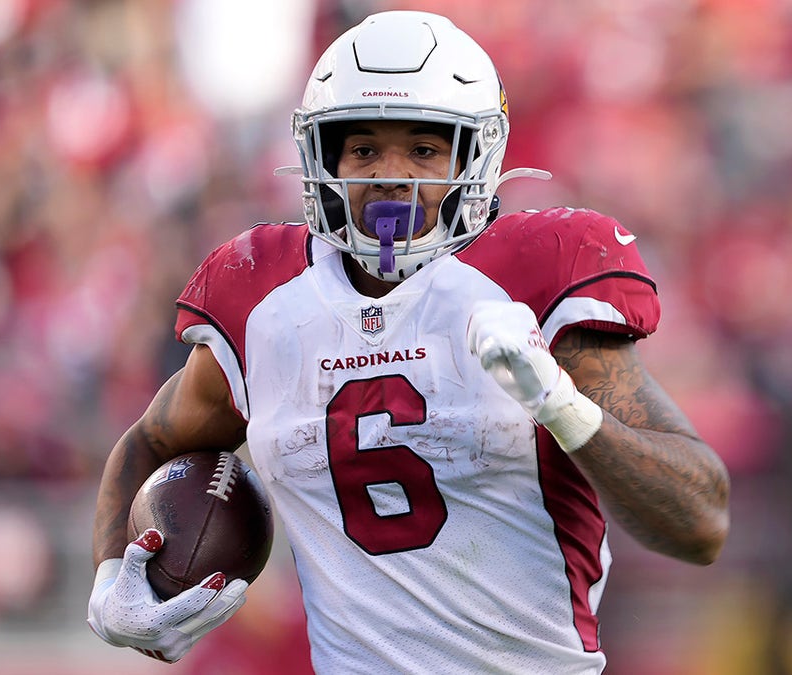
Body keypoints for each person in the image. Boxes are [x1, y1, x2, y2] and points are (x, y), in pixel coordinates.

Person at [86, 10, 730, 673]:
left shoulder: (535, 275)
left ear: (475, 155)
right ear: (321, 158)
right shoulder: (264, 299)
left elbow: (699, 520)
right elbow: (152, 440)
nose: (391, 174)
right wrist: (112, 581)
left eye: (424, 149)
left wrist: (562, 406)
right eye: (363, 148)